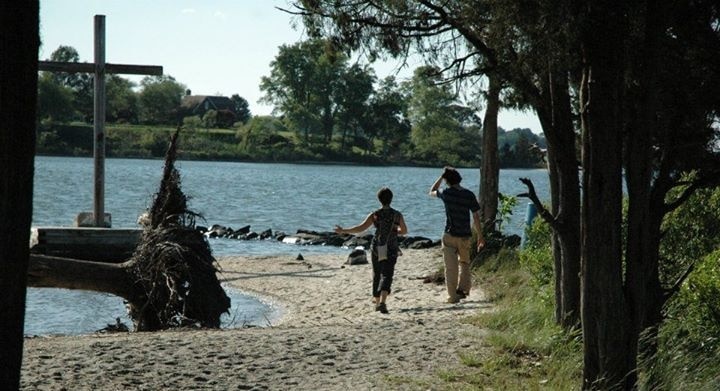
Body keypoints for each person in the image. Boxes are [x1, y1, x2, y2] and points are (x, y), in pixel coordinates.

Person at [334, 187, 408, 314]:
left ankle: (377, 302)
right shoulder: (397, 215)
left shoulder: (375, 215)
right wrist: (395, 231)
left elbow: (360, 228)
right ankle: (383, 302)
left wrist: (343, 230)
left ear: (379, 200)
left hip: (377, 247)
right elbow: (405, 231)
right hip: (391, 247)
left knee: (377, 274)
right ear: (391, 199)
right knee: (387, 274)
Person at [429, 167, 485, 303]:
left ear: (447, 181)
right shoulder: (469, 194)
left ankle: (452, 295)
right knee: (465, 263)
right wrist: (480, 236)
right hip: (465, 235)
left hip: (449, 234)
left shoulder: (446, 193)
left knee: (450, 267)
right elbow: (476, 217)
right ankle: (463, 290)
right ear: (459, 178)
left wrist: (441, 177)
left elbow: (431, 191)